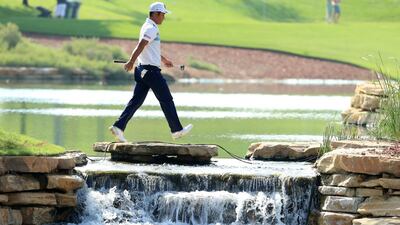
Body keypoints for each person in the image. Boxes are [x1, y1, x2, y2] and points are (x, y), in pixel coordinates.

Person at [109, 2, 193, 142]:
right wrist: (130, 61)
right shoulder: (151, 28)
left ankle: (118, 127)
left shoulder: (148, 26)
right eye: (163, 15)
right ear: (156, 14)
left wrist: (163, 59)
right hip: (150, 72)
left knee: (136, 101)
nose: (164, 18)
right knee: (166, 100)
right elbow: (141, 45)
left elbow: (148, 48)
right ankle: (176, 130)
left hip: (143, 71)